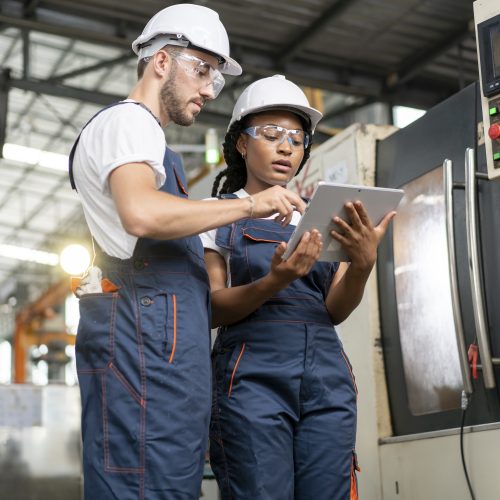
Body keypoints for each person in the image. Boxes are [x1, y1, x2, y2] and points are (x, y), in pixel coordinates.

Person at [69, 5, 306, 500]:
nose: (207, 90)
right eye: (201, 70)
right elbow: (141, 214)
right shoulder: (128, 122)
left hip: (164, 356)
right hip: (143, 346)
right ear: (160, 62)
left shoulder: (153, 146)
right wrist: (247, 207)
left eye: (216, 80)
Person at [201, 75, 396, 500]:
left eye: (296, 138)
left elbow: (335, 310)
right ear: (241, 143)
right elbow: (212, 309)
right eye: (271, 135)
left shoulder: (319, 215)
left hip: (326, 376)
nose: (286, 146)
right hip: (250, 376)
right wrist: (275, 281)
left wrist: (362, 263)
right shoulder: (213, 213)